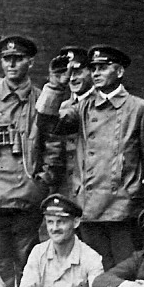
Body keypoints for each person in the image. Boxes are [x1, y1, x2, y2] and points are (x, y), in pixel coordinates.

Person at [36, 45, 144, 269]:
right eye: (93, 68)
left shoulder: (140, 109)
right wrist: (56, 85)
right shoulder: (83, 107)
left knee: (126, 271)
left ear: (120, 72)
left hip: (124, 211)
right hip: (90, 209)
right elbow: (49, 124)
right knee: (96, 272)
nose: (96, 73)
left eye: (103, 67)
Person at [0, 35, 62, 287]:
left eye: (18, 59)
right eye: (7, 59)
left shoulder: (42, 99)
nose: (11, 65)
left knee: (27, 260)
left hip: (26, 196)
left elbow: (53, 145)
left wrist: (41, 184)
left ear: (30, 62)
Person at [19, 194, 103, 287]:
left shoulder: (91, 258)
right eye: (50, 222)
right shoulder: (38, 253)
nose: (54, 228)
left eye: (61, 222)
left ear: (75, 222)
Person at [48, 46, 94, 199]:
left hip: (92, 189)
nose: (72, 78)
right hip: (66, 189)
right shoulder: (62, 107)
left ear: (91, 72)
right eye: (69, 73)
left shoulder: (100, 105)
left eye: (78, 72)